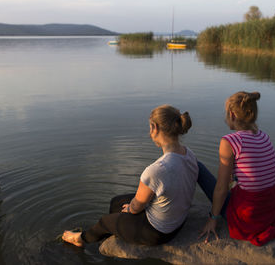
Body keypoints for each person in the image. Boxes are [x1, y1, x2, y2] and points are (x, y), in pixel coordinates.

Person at [62, 104, 199, 247]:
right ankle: (119, 229)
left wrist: (130, 209)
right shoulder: (189, 154)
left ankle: (79, 239)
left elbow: (135, 207)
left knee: (104, 222)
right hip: (178, 221)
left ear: (154, 128)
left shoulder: (157, 170)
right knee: (116, 202)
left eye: (150, 127)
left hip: (159, 232)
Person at [198, 91, 275, 246]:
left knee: (197, 167)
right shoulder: (264, 136)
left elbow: (221, 188)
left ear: (232, 115)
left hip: (247, 219)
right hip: (269, 213)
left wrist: (213, 218)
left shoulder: (230, 141)